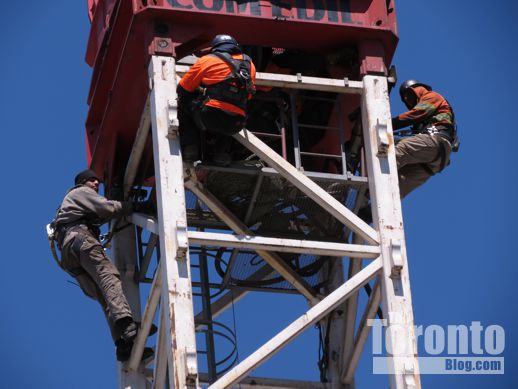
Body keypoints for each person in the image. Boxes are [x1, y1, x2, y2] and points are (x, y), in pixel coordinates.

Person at [53, 169, 150, 362]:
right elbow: (108, 209)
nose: (96, 183)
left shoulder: (71, 205)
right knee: (109, 278)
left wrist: (124, 204)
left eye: (97, 181)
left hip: (69, 253)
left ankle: (122, 345)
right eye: (91, 180)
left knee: (105, 298)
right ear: (82, 182)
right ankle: (126, 324)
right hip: (81, 240)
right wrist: (134, 206)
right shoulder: (81, 192)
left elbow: (101, 214)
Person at [176, 34, 256, 165]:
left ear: (215, 47)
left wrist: (202, 89)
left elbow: (183, 89)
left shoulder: (207, 60)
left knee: (183, 101)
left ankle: (190, 148)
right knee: (230, 109)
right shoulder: (249, 65)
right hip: (236, 123)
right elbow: (249, 95)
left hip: (209, 116)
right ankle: (221, 153)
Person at [392, 80, 457, 198]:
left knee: (401, 149)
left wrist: (389, 123)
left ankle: (378, 174)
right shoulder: (423, 122)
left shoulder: (432, 96)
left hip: (436, 141)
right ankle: (368, 211)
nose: (407, 99)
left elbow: (416, 113)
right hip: (435, 158)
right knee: (400, 182)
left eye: (409, 94)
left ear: (418, 88)